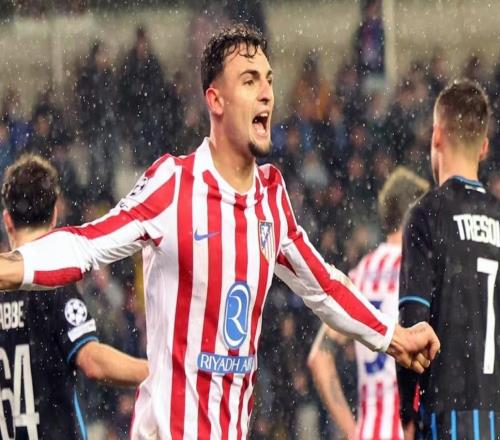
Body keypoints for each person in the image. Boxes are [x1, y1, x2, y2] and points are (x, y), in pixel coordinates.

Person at [0, 24, 439, 439]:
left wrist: (394, 337)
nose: (266, 92)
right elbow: (87, 245)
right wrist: (12, 268)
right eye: (249, 80)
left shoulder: (271, 199)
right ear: (216, 100)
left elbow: (324, 287)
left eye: (269, 80)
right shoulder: (173, 186)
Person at [0, 154, 149, 439]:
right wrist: (158, 373)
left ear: (8, 220)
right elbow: (92, 360)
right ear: (56, 214)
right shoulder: (53, 283)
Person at [398, 79, 500, 439]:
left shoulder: (428, 214)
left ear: (437, 135)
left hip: (448, 418)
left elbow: (413, 325)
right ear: (484, 147)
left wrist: (407, 412)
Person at [308, 167, 429, 440]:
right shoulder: (418, 270)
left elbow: (319, 358)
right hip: (410, 430)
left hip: (370, 430)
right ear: (414, 216)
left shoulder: (361, 273)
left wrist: (353, 432)